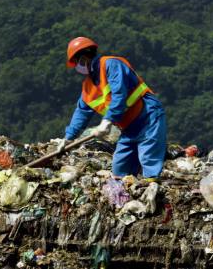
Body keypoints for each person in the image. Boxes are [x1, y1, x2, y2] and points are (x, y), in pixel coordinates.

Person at [58, 36, 167, 179]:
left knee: (148, 159)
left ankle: (152, 191)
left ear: (83, 59)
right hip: (128, 127)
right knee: (119, 169)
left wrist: (107, 121)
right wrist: (68, 138)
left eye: (77, 62)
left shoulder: (111, 65)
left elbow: (119, 95)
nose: (77, 67)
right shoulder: (88, 87)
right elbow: (82, 113)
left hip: (147, 115)